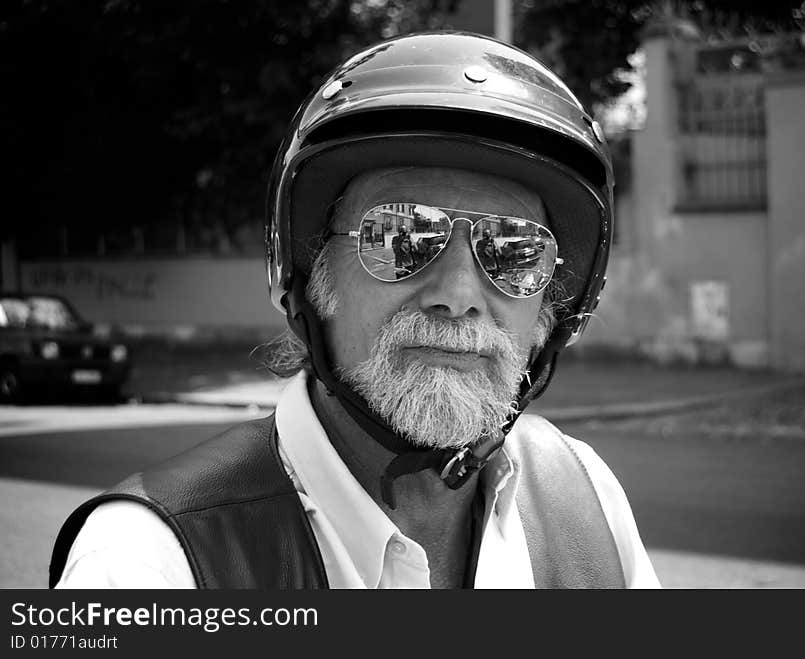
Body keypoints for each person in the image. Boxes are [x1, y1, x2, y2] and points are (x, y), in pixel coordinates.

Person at [49, 32, 659, 589]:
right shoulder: (150, 562)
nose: (459, 294)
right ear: (313, 277)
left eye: (514, 251)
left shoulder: (587, 499)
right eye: (401, 236)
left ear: (552, 311)